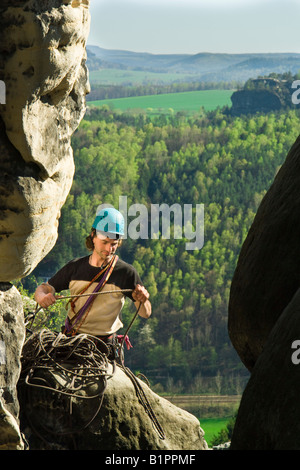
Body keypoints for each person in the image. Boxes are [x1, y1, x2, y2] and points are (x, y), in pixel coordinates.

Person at [34, 207, 151, 360]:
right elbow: (44, 288)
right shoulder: (75, 268)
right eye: (105, 242)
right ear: (93, 236)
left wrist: (143, 300)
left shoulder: (125, 272)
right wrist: (42, 297)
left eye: (114, 244)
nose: (109, 249)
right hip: (73, 341)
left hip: (105, 347)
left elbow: (145, 313)